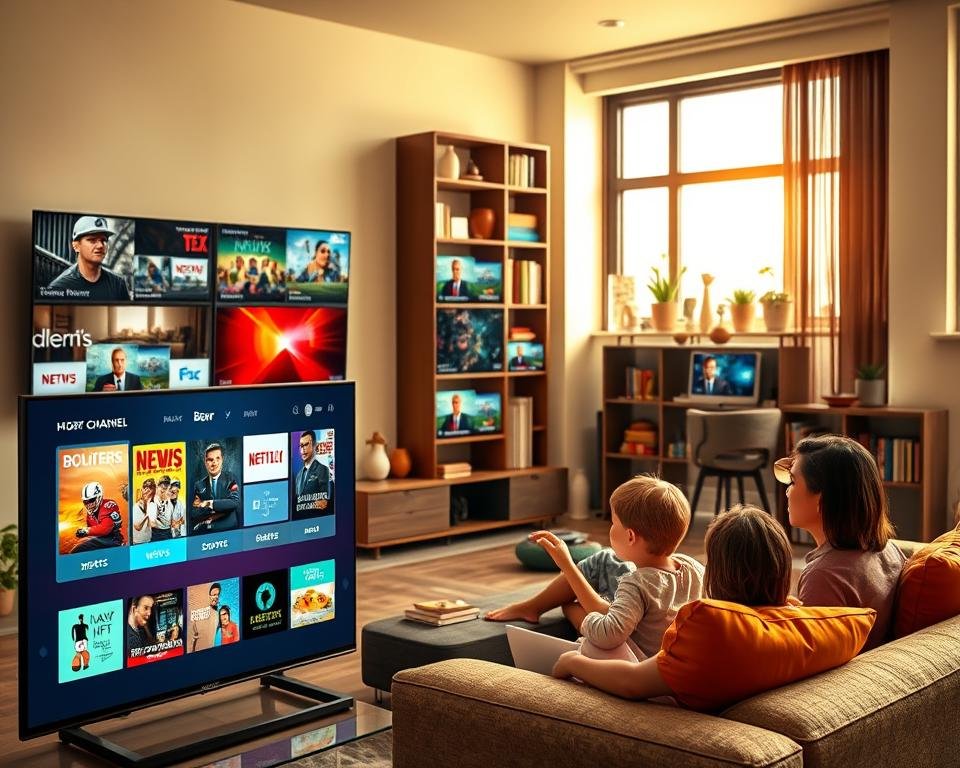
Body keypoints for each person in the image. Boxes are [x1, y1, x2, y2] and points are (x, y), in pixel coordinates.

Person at [551, 505, 792, 699]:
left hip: (661, 698)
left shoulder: (710, 627)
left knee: (595, 644)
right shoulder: (792, 619)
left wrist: (572, 663)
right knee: (606, 565)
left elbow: (633, 682)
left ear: (718, 573)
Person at [488, 475, 703, 660]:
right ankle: (532, 607)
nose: (611, 528)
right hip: (659, 648)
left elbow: (608, 635)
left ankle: (544, 607)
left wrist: (567, 571)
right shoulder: (692, 566)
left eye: (613, 523)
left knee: (574, 609)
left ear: (630, 536)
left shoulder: (636, 583)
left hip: (639, 663)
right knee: (603, 562)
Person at [775, 434, 905, 650]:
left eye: (794, 481)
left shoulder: (823, 576)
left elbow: (806, 656)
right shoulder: (889, 550)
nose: (787, 490)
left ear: (822, 500)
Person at [47, 215, 130, 300]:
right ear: (76, 246)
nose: (100, 245)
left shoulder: (118, 284)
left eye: (103, 240)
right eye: (92, 240)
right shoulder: (59, 287)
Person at [191, 443, 241, 532]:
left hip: (230, 530)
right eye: (210, 460)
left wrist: (208, 503)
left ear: (222, 460)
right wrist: (222, 509)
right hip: (208, 533)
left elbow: (234, 502)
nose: (214, 463)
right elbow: (194, 513)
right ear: (205, 462)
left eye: (217, 458)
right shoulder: (199, 485)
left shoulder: (231, 479)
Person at [70, 481, 125, 553]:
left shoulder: (108, 505)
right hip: (100, 539)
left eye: (91, 500)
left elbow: (105, 528)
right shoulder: (90, 513)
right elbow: (93, 529)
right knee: (77, 547)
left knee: (78, 549)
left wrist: (86, 531)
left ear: (99, 497)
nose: (88, 504)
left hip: (113, 539)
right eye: (86, 501)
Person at [293, 430, 334, 519]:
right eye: (301, 446)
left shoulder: (322, 469)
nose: (303, 449)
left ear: (315, 445)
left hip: (317, 521)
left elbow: (324, 502)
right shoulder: (299, 475)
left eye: (306, 444)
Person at [191, 582, 222, 652]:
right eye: (214, 594)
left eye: (218, 595)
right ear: (208, 596)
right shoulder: (200, 611)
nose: (216, 597)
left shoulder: (218, 614)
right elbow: (194, 626)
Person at [131, 477, 157, 544]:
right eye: (145, 488)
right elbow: (138, 527)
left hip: (148, 540)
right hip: (137, 542)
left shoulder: (152, 505)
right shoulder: (136, 507)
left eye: (150, 489)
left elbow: (152, 524)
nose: (147, 491)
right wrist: (147, 514)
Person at [152, 475, 173, 541]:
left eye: (166, 487)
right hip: (156, 532)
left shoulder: (170, 500)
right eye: (162, 486)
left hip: (168, 531)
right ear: (158, 486)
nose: (163, 488)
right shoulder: (153, 500)